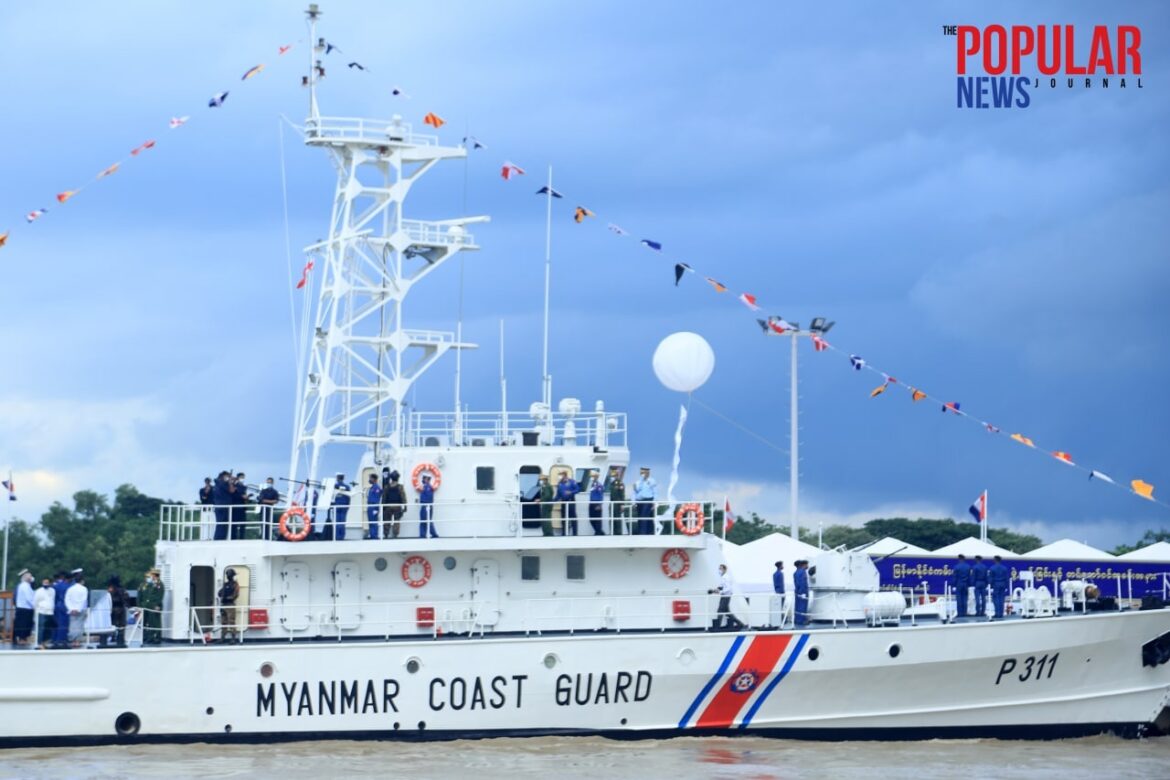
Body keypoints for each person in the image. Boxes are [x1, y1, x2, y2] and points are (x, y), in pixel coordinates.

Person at [708, 564, 745, 631]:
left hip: (726, 596)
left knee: (720, 610)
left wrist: (720, 592)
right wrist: (714, 590)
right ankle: (740, 624)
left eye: (721, 569)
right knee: (727, 611)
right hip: (724, 596)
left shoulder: (726, 577)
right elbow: (721, 586)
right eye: (719, 569)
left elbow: (728, 588)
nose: (719, 570)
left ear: (725, 570)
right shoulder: (723, 577)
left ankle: (717, 627)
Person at [138, 568, 165, 645]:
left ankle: (157, 637)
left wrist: (157, 605)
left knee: (156, 623)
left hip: (155, 606)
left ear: (155, 575)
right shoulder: (151, 584)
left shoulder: (159, 584)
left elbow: (160, 596)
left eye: (152, 575)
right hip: (149, 606)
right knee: (150, 623)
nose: (151, 576)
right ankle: (150, 637)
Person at [65, 571, 89, 648]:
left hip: (72, 610)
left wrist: (71, 608)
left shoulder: (70, 589)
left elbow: (67, 599)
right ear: (82, 581)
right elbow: (83, 600)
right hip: (81, 610)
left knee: (72, 626)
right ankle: (78, 641)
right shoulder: (84, 589)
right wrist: (78, 609)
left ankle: (73, 641)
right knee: (80, 626)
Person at [12, 568, 35, 647]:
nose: (31, 578)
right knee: (23, 625)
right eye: (30, 576)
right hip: (24, 608)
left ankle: (24, 639)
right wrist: (34, 606)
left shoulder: (27, 585)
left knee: (27, 624)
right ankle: (22, 639)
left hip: (27, 608)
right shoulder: (24, 586)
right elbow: (29, 598)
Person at [382, 469, 406, 539]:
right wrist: (405, 507)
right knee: (396, 521)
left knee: (386, 521)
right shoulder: (400, 487)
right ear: (398, 478)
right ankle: (395, 535)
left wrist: (383, 507)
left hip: (388, 506)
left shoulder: (387, 486)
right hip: (397, 506)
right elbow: (403, 497)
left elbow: (384, 497)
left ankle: (386, 534)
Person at [633, 467, 657, 535]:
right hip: (639, 501)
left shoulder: (652, 481)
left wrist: (655, 502)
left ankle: (643, 533)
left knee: (644, 516)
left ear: (648, 473)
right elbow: (635, 492)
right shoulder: (638, 482)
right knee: (640, 517)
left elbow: (655, 492)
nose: (642, 474)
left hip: (648, 500)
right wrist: (633, 502)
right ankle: (644, 532)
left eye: (643, 472)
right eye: (641, 473)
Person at [218, 568, 240, 643]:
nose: (228, 576)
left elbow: (235, 595)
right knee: (223, 622)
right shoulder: (226, 584)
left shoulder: (235, 584)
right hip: (223, 605)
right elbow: (220, 593)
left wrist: (227, 597)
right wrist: (222, 595)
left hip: (230, 605)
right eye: (227, 575)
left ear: (232, 576)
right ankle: (222, 638)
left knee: (231, 622)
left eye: (229, 575)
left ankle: (233, 638)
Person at [35, 576, 56, 648]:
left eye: (47, 582)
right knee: (41, 628)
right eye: (44, 582)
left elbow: (52, 600)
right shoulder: (38, 591)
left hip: (50, 612)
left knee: (48, 629)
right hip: (41, 612)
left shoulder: (52, 591)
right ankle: (40, 643)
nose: (45, 584)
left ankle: (45, 642)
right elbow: (35, 602)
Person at [329, 473, 352, 541]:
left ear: (337, 478)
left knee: (337, 521)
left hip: (337, 505)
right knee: (342, 521)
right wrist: (348, 505)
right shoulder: (347, 487)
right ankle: (341, 536)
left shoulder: (334, 486)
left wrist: (331, 505)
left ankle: (337, 536)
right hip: (344, 505)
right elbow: (349, 497)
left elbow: (331, 496)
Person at [51, 571, 71, 648]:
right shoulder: (68, 586)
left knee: (56, 623)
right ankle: (62, 639)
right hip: (65, 605)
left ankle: (54, 639)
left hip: (57, 605)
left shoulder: (56, 586)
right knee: (63, 623)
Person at [107, 576, 128, 648]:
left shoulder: (112, 589)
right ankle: (119, 637)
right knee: (119, 624)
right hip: (118, 608)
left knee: (117, 624)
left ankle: (116, 637)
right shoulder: (121, 589)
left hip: (116, 608)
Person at [212, 471, 232, 540]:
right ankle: (219, 539)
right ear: (223, 476)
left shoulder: (217, 484)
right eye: (227, 476)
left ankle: (219, 538)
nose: (228, 478)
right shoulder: (222, 483)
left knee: (221, 524)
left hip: (219, 505)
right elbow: (231, 490)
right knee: (222, 524)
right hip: (223, 506)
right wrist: (230, 482)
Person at [989, 555, 1010, 620]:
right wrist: (1006, 585)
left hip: (996, 584)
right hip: (1002, 584)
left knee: (996, 599)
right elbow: (1006, 578)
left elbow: (991, 578)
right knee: (1002, 599)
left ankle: (997, 613)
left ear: (995, 560)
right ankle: (1001, 613)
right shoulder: (1004, 568)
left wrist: (991, 585)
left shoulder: (992, 568)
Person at [606, 467, 627, 535]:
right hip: (612, 503)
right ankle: (612, 532)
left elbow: (622, 494)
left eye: (613, 472)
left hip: (617, 503)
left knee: (617, 519)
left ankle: (618, 533)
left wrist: (622, 504)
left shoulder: (619, 483)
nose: (612, 474)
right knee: (611, 518)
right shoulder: (612, 483)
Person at [418, 473, 438, 538]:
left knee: (425, 520)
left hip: (426, 506)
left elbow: (428, 498)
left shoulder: (427, 487)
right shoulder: (428, 487)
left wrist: (424, 502)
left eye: (424, 478)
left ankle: (426, 535)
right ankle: (428, 534)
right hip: (427, 506)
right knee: (427, 520)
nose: (423, 479)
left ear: (426, 479)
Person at [231, 472, 250, 540]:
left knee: (243, 524)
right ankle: (233, 538)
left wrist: (247, 498)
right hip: (235, 507)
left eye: (243, 477)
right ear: (238, 478)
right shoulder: (234, 486)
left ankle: (242, 538)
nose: (243, 479)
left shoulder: (244, 487)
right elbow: (234, 495)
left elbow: (245, 496)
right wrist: (242, 496)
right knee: (234, 524)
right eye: (241, 477)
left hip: (243, 507)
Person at [587, 470, 606, 536]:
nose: (592, 478)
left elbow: (601, 495)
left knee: (598, 520)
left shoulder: (599, 485)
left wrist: (599, 505)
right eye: (592, 476)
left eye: (593, 476)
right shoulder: (592, 485)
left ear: (596, 477)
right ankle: (600, 532)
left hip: (597, 504)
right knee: (591, 519)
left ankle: (598, 533)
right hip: (591, 503)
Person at [952, 554, 971, 618]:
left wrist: (953, 584)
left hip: (959, 584)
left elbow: (955, 577)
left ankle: (960, 613)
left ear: (959, 559)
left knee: (959, 599)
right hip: (965, 584)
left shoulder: (956, 567)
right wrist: (969, 584)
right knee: (965, 599)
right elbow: (969, 576)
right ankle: (964, 612)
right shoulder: (968, 566)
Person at [971, 554, 989, 619]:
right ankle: (983, 611)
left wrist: (973, 584)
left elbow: (973, 576)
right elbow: (986, 576)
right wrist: (986, 583)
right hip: (983, 583)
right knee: (983, 598)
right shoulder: (985, 567)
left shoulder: (975, 567)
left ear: (976, 559)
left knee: (977, 598)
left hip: (977, 582)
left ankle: (978, 612)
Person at [794, 560, 810, 627]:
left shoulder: (795, 572)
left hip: (797, 591)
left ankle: (797, 620)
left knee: (797, 606)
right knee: (803, 607)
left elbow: (796, 583)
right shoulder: (803, 572)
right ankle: (802, 621)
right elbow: (802, 583)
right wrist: (803, 592)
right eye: (807, 564)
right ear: (804, 565)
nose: (807, 566)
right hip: (803, 592)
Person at [366, 473, 382, 540]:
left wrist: (376, 508)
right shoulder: (372, 488)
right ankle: (372, 535)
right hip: (370, 506)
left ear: (374, 479)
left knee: (374, 521)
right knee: (371, 522)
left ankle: (374, 536)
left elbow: (376, 499)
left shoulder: (377, 488)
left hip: (374, 507)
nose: (369, 480)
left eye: (370, 478)